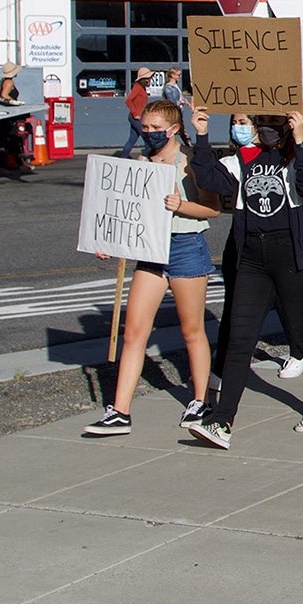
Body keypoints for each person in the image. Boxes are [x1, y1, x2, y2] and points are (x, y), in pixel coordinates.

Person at [185, 109, 303, 449]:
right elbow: (208, 177)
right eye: (260, 124)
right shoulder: (244, 158)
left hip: (295, 255)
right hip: (252, 255)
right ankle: (222, 420)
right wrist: (203, 136)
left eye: (273, 124)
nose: (265, 130)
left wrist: (300, 142)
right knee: (239, 337)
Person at [83, 101, 219, 435]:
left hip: (186, 247)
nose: (149, 133)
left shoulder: (190, 161)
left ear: (173, 129)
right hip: (150, 253)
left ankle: (201, 399)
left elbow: (213, 209)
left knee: (191, 330)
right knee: (134, 333)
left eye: (155, 128)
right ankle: (120, 411)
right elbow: (127, 214)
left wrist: (181, 205)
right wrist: (110, 241)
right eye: (144, 128)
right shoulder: (140, 162)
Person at [118, 67, 151, 158]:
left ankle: (123, 157)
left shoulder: (142, 88)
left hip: (138, 117)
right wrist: (135, 113)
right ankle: (150, 156)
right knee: (146, 136)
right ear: (143, 79)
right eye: (148, 78)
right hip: (136, 118)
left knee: (132, 139)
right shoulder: (138, 87)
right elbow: (128, 100)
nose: (150, 80)